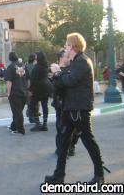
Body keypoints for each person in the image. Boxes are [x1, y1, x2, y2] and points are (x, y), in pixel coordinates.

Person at [45, 33, 107, 184]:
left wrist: (58, 72)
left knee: (88, 141)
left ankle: (99, 175)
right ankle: (59, 176)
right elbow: (61, 84)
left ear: (72, 46)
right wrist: (57, 73)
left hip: (79, 109)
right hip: (69, 108)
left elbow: (70, 80)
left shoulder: (82, 61)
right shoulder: (74, 62)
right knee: (63, 142)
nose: (64, 47)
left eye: (66, 45)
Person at [51, 50, 79, 157]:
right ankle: (61, 150)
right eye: (67, 57)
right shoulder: (56, 71)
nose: (69, 58)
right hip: (61, 104)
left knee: (76, 128)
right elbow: (55, 88)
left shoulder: (72, 69)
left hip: (72, 103)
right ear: (62, 58)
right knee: (61, 127)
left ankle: (71, 146)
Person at [29, 51, 53, 132]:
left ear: (38, 58)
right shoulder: (45, 66)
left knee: (33, 105)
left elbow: (33, 79)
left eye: (36, 56)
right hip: (46, 87)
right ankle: (45, 124)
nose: (35, 58)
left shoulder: (37, 67)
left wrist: (30, 89)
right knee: (44, 105)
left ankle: (37, 124)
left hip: (38, 88)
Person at [5, 52, 28, 135]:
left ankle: (20, 130)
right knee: (18, 111)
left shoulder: (10, 67)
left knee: (17, 112)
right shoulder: (24, 66)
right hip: (24, 92)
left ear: (10, 58)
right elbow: (28, 79)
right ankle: (13, 126)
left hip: (15, 93)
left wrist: (8, 93)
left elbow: (9, 81)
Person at [25, 53, 36, 123]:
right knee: (33, 102)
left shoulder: (26, 66)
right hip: (32, 86)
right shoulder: (34, 67)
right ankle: (31, 117)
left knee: (30, 102)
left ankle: (29, 113)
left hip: (27, 86)